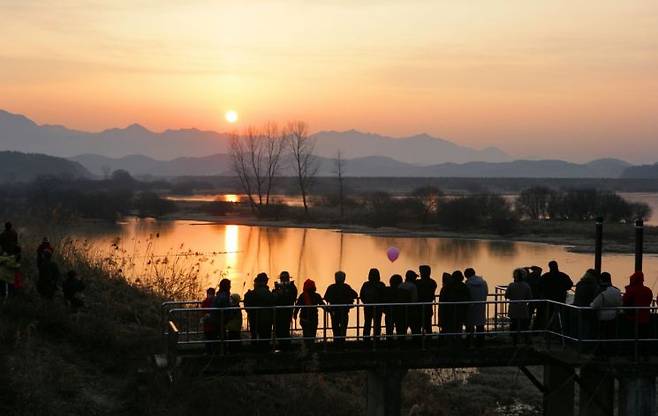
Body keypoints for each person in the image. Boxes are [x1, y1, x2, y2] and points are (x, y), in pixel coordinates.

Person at [324, 271, 358, 345]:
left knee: (335, 328)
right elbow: (355, 295)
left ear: (335, 278)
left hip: (334, 312)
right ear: (344, 279)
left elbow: (326, 297)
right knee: (343, 328)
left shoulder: (331, 287)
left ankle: (336, 343)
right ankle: (342, 343)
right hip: (344, 311)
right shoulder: (346, 287)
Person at [590, 272, 622, 351]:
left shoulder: (601, 291)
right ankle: (611, 350)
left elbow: (595, 305)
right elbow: (620, 303)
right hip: (614, 317)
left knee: (601, 335)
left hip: (602, 317)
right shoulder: (617, 291)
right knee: (611, 335)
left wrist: (591, 304)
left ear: (601, 280)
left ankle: (601, 351)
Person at [243, 273, 275, 350]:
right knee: (265, 337)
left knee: (254, 336)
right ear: (265, 281)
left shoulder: (251, 293)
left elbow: (247, 306)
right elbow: (273, 301)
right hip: (266, 319)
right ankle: (264, 352)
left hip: (254, 318)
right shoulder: (267, 293)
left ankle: (255, 351)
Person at [538, 261, 573, 331]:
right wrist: (563, 288)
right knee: (561, 316)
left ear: (549, 267)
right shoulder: (563, 276)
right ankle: (560, 330)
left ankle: (548, 330)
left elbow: (540, 286)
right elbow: (570, 285)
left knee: (548, 315)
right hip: (560, 299)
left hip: (549, 300)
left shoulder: (545, 276)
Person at [622, 271, 653, 343]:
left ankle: (633, 352)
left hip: (633, 318)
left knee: (632, 337)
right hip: (646, 318)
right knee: (644, 337)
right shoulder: (648, 290)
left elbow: (625, 301)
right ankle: (644, 352)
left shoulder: (631, 290)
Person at [439, 271, 470, 340]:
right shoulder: (464, 287)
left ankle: (449, 343)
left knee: (449, 330)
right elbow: (468, 299)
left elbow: (442, 301)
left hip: (449, 312)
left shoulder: (447, 288)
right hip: (460, 312)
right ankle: (458, 341)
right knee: (458, 328)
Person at [505, 268, 533, 345]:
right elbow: (530, 297)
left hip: (513, 307)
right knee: (525, 325)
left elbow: (506, 295)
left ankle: (514, 341)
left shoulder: (511, 285)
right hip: (523, 307)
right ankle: (527, 340)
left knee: (514, 324)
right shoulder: (526, 286)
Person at [294, 279, 325, 349]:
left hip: (304, 319)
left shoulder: (302, 296)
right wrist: (329, 310)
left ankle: (307, 348)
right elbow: (322, 305)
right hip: (313, 318)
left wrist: (295, 315)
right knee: (312, 334)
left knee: (306, 334)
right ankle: (311, 348)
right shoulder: (316, 295)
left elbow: (297, 306)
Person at [272, 271, 298, 349]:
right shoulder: (277, 287)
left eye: (285, 278)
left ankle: (286, 346)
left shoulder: (292, 287)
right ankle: (282, 345)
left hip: (287, 312)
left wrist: (283, 292)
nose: (283, 280)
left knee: (285, 329)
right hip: (278, 313)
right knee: (278, 330)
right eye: (282, 278)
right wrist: (277, 291)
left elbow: (291, 298)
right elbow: (274, 298)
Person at [360, 268, 386, 340]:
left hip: (368, 307)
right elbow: (384, 295)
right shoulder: (381, 284)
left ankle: (366, 339)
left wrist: (365, 302)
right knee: (377, 324)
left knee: (367, 323)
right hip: (377, 307)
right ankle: (376, 339)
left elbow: (361, 295)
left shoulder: (366, 284)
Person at [464, 268, 488, 347]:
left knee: (470, 325)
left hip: (471, 307)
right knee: (480, 326)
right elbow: (486, 293)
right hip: (481, 306)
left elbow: (466, 296)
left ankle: (469, 342)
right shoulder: (483, 282)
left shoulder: (467, 284)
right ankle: (481, 342)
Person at [384, 274, 409, 339]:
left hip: (389, 312)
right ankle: (401, 343)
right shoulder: (404, 292)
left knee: (389, 330)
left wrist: (385, 310)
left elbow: (383, 300)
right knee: (400, 329)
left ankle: (389, 344)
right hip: (400, 313)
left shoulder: (386, 291)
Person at [416, 265, 437, 335]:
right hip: (427, 306)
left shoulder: (418, 283)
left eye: (420, 272)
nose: (420, 274)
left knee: (419, 326)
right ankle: (428, 341)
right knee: (428, 326)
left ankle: (420, 341)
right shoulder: (433, 282)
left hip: (420, 307)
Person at [399, 270, 420, 337]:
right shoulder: (413, 286)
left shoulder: (400, 285)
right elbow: (415, 300)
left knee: (402, 329)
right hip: (411, 311)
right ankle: (417, 344)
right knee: (415, 329)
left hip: (402, 311)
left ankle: (401, 343)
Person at [200, 288, 217, 352]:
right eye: (209, 294)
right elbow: (203, 311)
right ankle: (209, 351)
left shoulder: (214, 301)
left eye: (211, 294)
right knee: (208, 339)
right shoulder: (206, 302)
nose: (210, 295)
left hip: (212, 325)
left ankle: (211, 352)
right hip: (208, 325)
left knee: (212, 339)